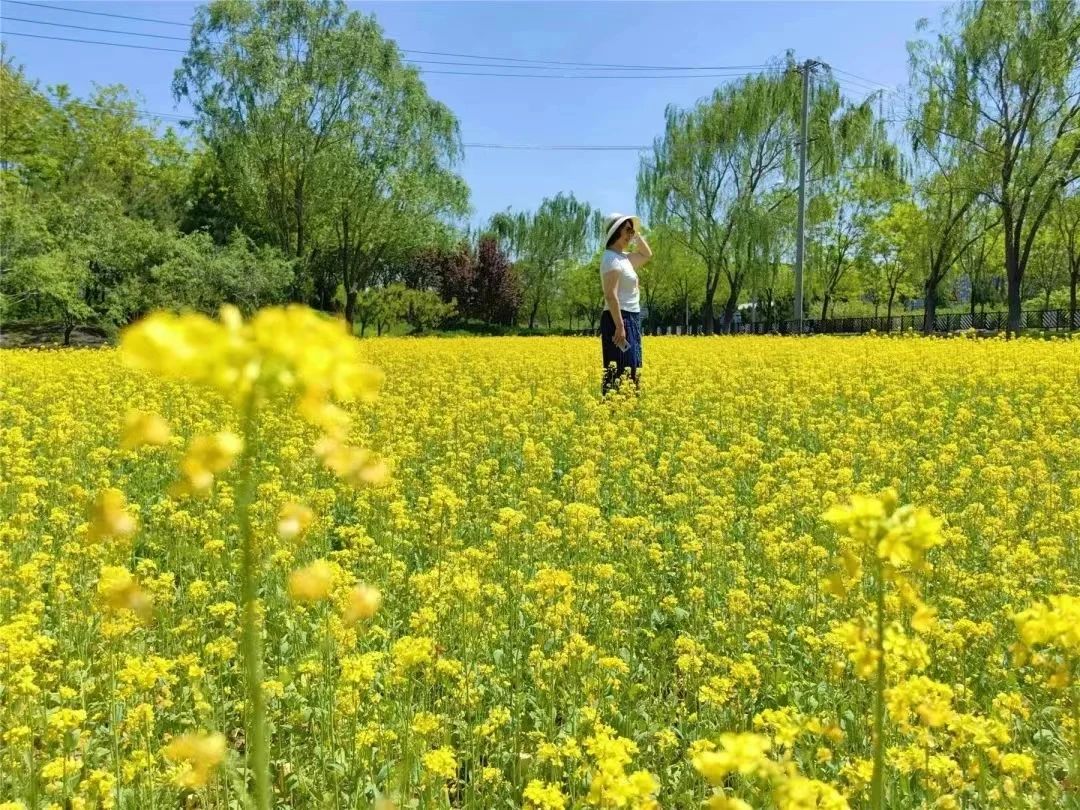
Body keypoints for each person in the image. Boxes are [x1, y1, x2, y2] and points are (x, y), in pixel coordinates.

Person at [599, 213, 652, 395]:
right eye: (627, 230)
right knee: (620, 370)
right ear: (616, 233)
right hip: (618, 318)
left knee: (633, 368)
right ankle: (612, 414)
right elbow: (610, 295)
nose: (630, 234)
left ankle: (627, 414)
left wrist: (636, 235)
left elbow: (647, 254)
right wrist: (620, 326)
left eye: (632, 230)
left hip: (632, 317)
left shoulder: (625, 258)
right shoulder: (610, 259)